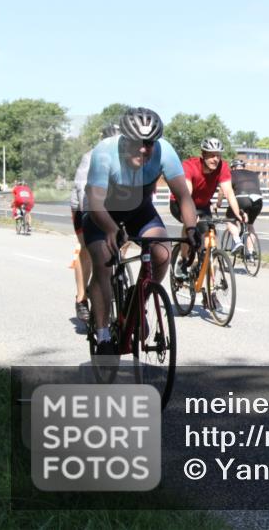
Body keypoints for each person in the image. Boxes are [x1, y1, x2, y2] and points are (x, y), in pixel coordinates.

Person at [84, 107, 200, 356]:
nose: (144, 149)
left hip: (139, 210)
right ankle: (103, 335)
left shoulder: (165, 151)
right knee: (103, 262)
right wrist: (111, 229)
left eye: (149, 143)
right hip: (101, 213)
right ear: (125, 140)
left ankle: (138, 302)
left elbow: (184, 197)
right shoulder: (104, 152)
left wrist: (191, 228)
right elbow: (94, 203)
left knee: (162, 252)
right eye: (137, 143)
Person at [169, 137, 245, 279]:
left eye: (218, 155)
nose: (215, 159)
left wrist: (238, 213)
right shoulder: (189, 166)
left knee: (211, 239)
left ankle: (210, 286)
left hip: (203, 205)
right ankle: (183, 260)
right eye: (211, 155)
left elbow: (229, 192)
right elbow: (186, 195)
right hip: (181, 202)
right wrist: (191, 216)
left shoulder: (222, 167)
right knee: (189, 222)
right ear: (203, 154)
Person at [70, 123, 120, 322]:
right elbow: (84, 192)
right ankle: (81, 298)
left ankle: (106, 282)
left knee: (119, 242)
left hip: (112, 205)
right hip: (84, 205)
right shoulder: (90, 157)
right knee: (86, 249)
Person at [217, 158, 262, 256]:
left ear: (233, 167)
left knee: (229, 220)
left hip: (242, 199)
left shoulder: (230, 174)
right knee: (250, 225)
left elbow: (222, 190)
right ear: (243, 167)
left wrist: (218, 203)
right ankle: (250, 253)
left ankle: (237, 241)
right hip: (258, 200)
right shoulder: (253, 174)